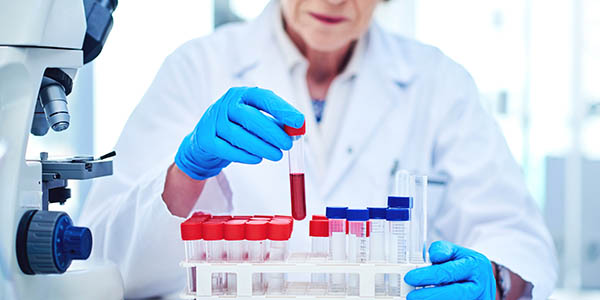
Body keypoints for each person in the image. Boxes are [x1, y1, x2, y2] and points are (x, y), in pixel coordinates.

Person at [80, 0, 557, 299]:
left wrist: (493, 283)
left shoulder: (440, 82)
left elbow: (517, 238)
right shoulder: (196, 67)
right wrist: (186, 175)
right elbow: (103, 259)